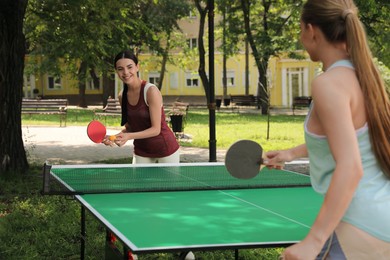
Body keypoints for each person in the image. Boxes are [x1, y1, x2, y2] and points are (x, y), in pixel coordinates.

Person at [264, 0, 390, 259]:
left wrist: (313, 241)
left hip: (358, 222)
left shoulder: (328, 83)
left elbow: (351, 166)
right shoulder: (365, 75)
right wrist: (291, 153)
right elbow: (355, 140)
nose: (301, 38)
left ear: (311, 30)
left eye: (300, 30)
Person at [103, 50, 180, 164]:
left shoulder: (150, 91)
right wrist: (114, 137)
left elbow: (156, 129)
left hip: (165, 150)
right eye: (120, 69)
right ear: (116, 71)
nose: (126, 72)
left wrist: (128, 136)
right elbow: (130, 128)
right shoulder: (122, 96)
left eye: (130, 67)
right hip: (141, 150)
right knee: (137, 182)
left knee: (167, 183)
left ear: (137, 67)